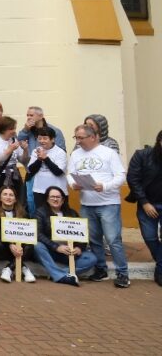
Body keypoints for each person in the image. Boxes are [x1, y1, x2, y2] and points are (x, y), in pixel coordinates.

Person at [68, 123, 129, 288]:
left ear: (93, 137)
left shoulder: (109, 153)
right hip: (87, 204)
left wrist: (105, 186)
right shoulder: (76, 154)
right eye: (76, 138)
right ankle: (101, 269)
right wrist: (73, 184)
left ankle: (122, 273)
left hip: (108, 203)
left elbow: (120, 176)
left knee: (113, 239)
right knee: (94, 239)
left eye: (81, 138)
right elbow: (70, 174)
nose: (78, 141)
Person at [34, 186, 97, 286]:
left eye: (58, 197)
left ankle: (56, 273)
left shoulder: (72, 213)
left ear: (63, 200)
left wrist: (79, 248)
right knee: (37, 246)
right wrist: (56, 247)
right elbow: (38, 234)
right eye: (52, 197)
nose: (55, 199)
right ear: (47, 199)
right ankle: (61, 275)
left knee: (91, 258)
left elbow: (83, 233)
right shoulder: (40, 212)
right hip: (51, 251)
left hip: (69, 253)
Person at [126, 129, 162, 285]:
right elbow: (133, 179)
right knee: (149, 237)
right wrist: (144, 202)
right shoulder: (142, 155)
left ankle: (160, 270)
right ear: (159, 141)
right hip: (146, 203)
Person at [0, 184, 36, 283]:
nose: (8, 197)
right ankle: (24, 268)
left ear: (15, 199)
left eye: (11, 195)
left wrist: (19, 246)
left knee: (30, 245)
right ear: (0, 198)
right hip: (0, 247)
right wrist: (10, 244)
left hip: (19, 247)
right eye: (5, 194)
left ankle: (9, 268)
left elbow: (27, 232)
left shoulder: (23, 213)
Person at [27, 126, 68, 210]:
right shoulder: (36, 151)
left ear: (52, 139)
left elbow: (58, 172)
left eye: (45, 138)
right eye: (40, 138)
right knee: (41, 214)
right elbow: (31, 170)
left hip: (57, 191)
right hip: (39, 190)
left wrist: (45, 159)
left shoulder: (60, 152)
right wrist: (39, 160)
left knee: (58, 214)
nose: (42, 141)